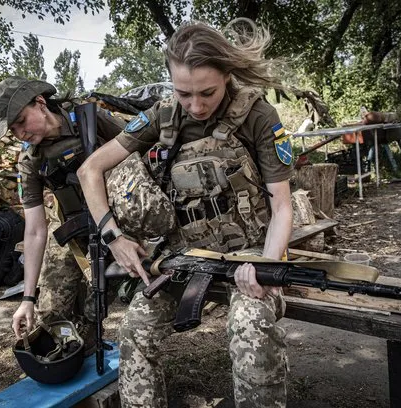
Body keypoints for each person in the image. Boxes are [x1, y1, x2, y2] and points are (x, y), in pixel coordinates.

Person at [78, 19, 293, 407]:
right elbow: (90, 169)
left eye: (207, 93)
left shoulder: (259, 115)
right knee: (135, 329)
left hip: (250, 253)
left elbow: (281, 204)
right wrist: (115, 240)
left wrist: (266, 266)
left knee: (250, 324)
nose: (195, 106)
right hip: (186, 257)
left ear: (227, 75)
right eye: (183, 93)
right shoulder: (163, 115)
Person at [0, 76, 126, 341]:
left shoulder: (89, 117)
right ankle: (69, 350)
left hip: (117, 222)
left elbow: (137, 149)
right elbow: (35, 229)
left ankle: (89, 340)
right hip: (72, 229)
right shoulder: (29, 159)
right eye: (13, 130)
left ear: (40, 103)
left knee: (92, 310)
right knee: (51, 313)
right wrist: (27, 298)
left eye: (21, 121)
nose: (20, 133)